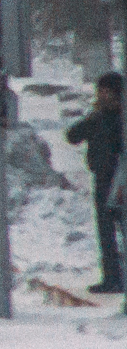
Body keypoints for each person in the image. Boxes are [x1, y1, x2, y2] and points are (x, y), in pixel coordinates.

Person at [68, 73, 125, 293]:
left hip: (119, 177)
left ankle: (116, 278)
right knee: (106, 230)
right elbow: (72, 135)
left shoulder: (117, 118)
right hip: (103, 177)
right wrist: (94, 114)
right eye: (100, 91)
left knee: (117, 226)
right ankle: (112, 278)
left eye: (107, 91)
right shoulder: (98, 117)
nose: (102, 95)